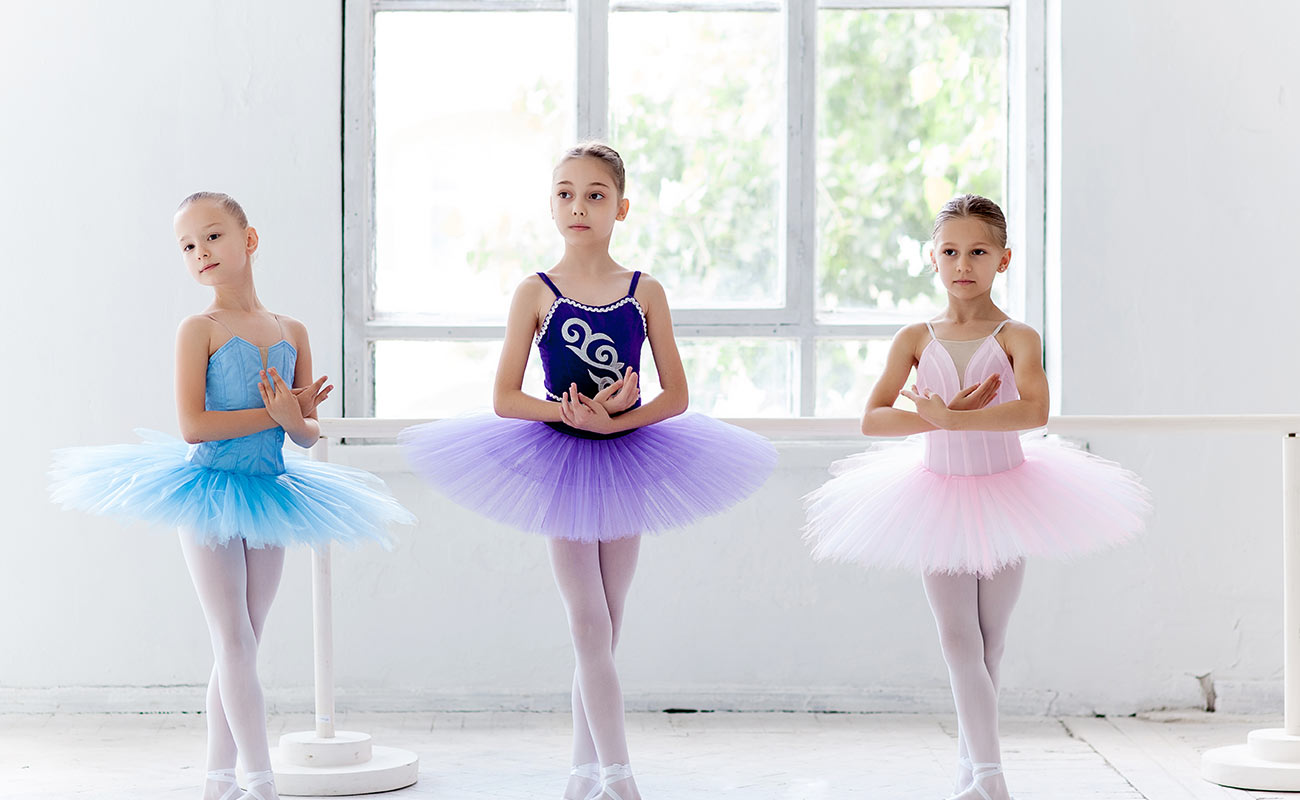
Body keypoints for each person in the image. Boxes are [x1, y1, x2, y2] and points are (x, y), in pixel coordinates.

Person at [399, 143, 778, 800]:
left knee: (608, 623)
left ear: (621, 208)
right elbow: (505, 397)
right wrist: (571, 415)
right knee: (587, 624)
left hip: (628, 458)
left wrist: (616, 422)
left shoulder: (644, 291)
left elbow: (676, 395)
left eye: (596, 194)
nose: (579, 206)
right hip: (561, 462)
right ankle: (620, 776)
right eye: (566, 193)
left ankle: (582, 773)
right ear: (551, 205)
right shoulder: (534, 292)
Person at [50, 192, 414, 800]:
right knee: (234, 640)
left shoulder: (292, 331)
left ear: (249, 240)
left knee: (244, 643)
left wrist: (295, 419)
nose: (200, 252)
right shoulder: (199, 330)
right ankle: (261, 783)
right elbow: (193, 425)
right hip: (208, 492)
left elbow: (305, 434)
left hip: (270, 493)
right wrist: (275, 413)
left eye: (212, 236)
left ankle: (219, 781)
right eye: (187, 246)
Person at [803, 194, 1150, 800]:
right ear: (932, 258)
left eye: (979, 252)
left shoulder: (1018, 336)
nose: (963, 264)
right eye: (951, 251)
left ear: (1003, 259)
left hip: (1008, 492)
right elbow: (873, 418)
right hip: (936, 497)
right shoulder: (915, 337)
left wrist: (955, 419)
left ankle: (971, 771)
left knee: (992, 639)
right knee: (957, 636)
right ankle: (991, 778)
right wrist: (936, 420)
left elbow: (1034, 410)